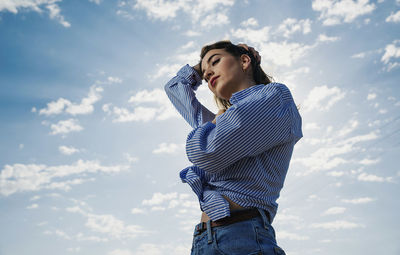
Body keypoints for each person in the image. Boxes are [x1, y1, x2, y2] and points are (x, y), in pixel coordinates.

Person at [164, 40, 302, 255]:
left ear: (245, 61)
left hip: (242, 237)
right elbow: (174, 88)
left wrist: (213, 124)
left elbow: (206, 153)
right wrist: (199, 69)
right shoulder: (224, 124)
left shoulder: (274, 97)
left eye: (216, 62)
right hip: (207, 239)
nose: (209, 73)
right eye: (205, 72)